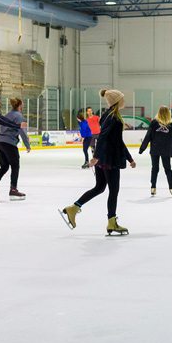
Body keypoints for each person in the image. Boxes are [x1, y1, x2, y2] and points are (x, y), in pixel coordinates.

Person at [60, 89, 136, 236]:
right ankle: (111, 222)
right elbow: (103, 138)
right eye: (122, 98)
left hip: (104, 157)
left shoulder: (109, 115)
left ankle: (73, 208)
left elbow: (116, 140)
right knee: (113, 190)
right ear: (116, 101)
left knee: (100, 187)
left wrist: (129, 158)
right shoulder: (113, 118)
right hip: (109, 158)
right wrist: (97, 156)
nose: (124, 101)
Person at [0, 98, 31, 201]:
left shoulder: (8, 114)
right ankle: (13, 190)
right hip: (9, 143)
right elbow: (22, 131)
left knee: (4, 166)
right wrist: (27, 145)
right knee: (15, 166)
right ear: (20, 105)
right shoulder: (19, 116)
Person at [139, 105, 172, 197]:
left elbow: (148, 136)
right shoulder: (171, 124)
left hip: (155, 149)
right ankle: (171, 188)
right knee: (168, 169)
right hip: (166, 150)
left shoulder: (154, 122)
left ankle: (153, 187)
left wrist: (142, 148)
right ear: (168, 113)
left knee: (155, 169)